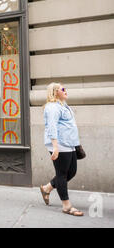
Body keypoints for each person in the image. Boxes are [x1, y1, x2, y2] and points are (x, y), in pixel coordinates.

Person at [40, 83, 84, 216]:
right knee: (62, 174)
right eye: (63, 89)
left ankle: (47, 188)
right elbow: (52, 127)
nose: (66, 91)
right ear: (54, 92)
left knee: (72, 171)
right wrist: (55, 147)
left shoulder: (63, 105)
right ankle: (66, 206)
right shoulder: (52, 107)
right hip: (60, 144)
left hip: (69, 143)